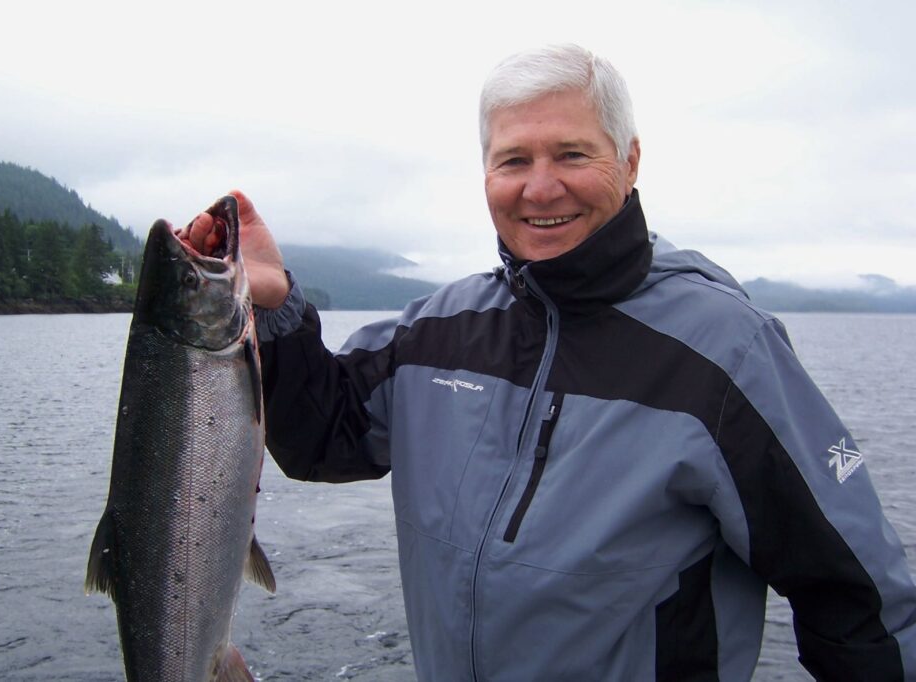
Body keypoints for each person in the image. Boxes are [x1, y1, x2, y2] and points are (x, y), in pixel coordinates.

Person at [183, 44, 916, 681]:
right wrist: (273, 311)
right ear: (485, 176)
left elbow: (858, 597)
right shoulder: (438, 329)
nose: (540, 187)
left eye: (571, 154)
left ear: (628, 162)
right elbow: (324, 439)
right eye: (513, 160)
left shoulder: (725, 352)